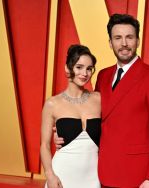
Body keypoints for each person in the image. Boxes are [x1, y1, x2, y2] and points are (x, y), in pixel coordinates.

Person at [55, 14, 149, 188]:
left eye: (129, 37)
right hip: (99, 171)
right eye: (118, 38)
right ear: (110, 43)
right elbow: (93, 117)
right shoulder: (103, 75)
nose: (124, 43)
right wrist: (66, 132)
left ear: (138, 41)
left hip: (136, 175)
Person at [40, 44, 101, 188]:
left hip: (93, 177)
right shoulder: (52, 104)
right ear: (67, 68)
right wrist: (50, 175)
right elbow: (44, 145)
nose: (84, 73)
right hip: (62, 176)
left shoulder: (99, 99)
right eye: (79, 67)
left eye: (89, 68)